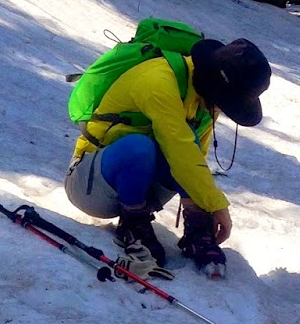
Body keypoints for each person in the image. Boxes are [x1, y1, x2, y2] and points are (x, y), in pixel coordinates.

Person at [63, 36, 271, 278]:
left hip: (143, 187)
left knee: (185, 140)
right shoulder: (158, 80)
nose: (224, 109)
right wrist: (217, 205)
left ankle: (196, 230)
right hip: (89, 186)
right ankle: (132, 225)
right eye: (228, 102)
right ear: (215, 86)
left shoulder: (203, 97)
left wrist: (200, 210)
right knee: (141, 147)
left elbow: (193, 157)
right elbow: (178, 148)